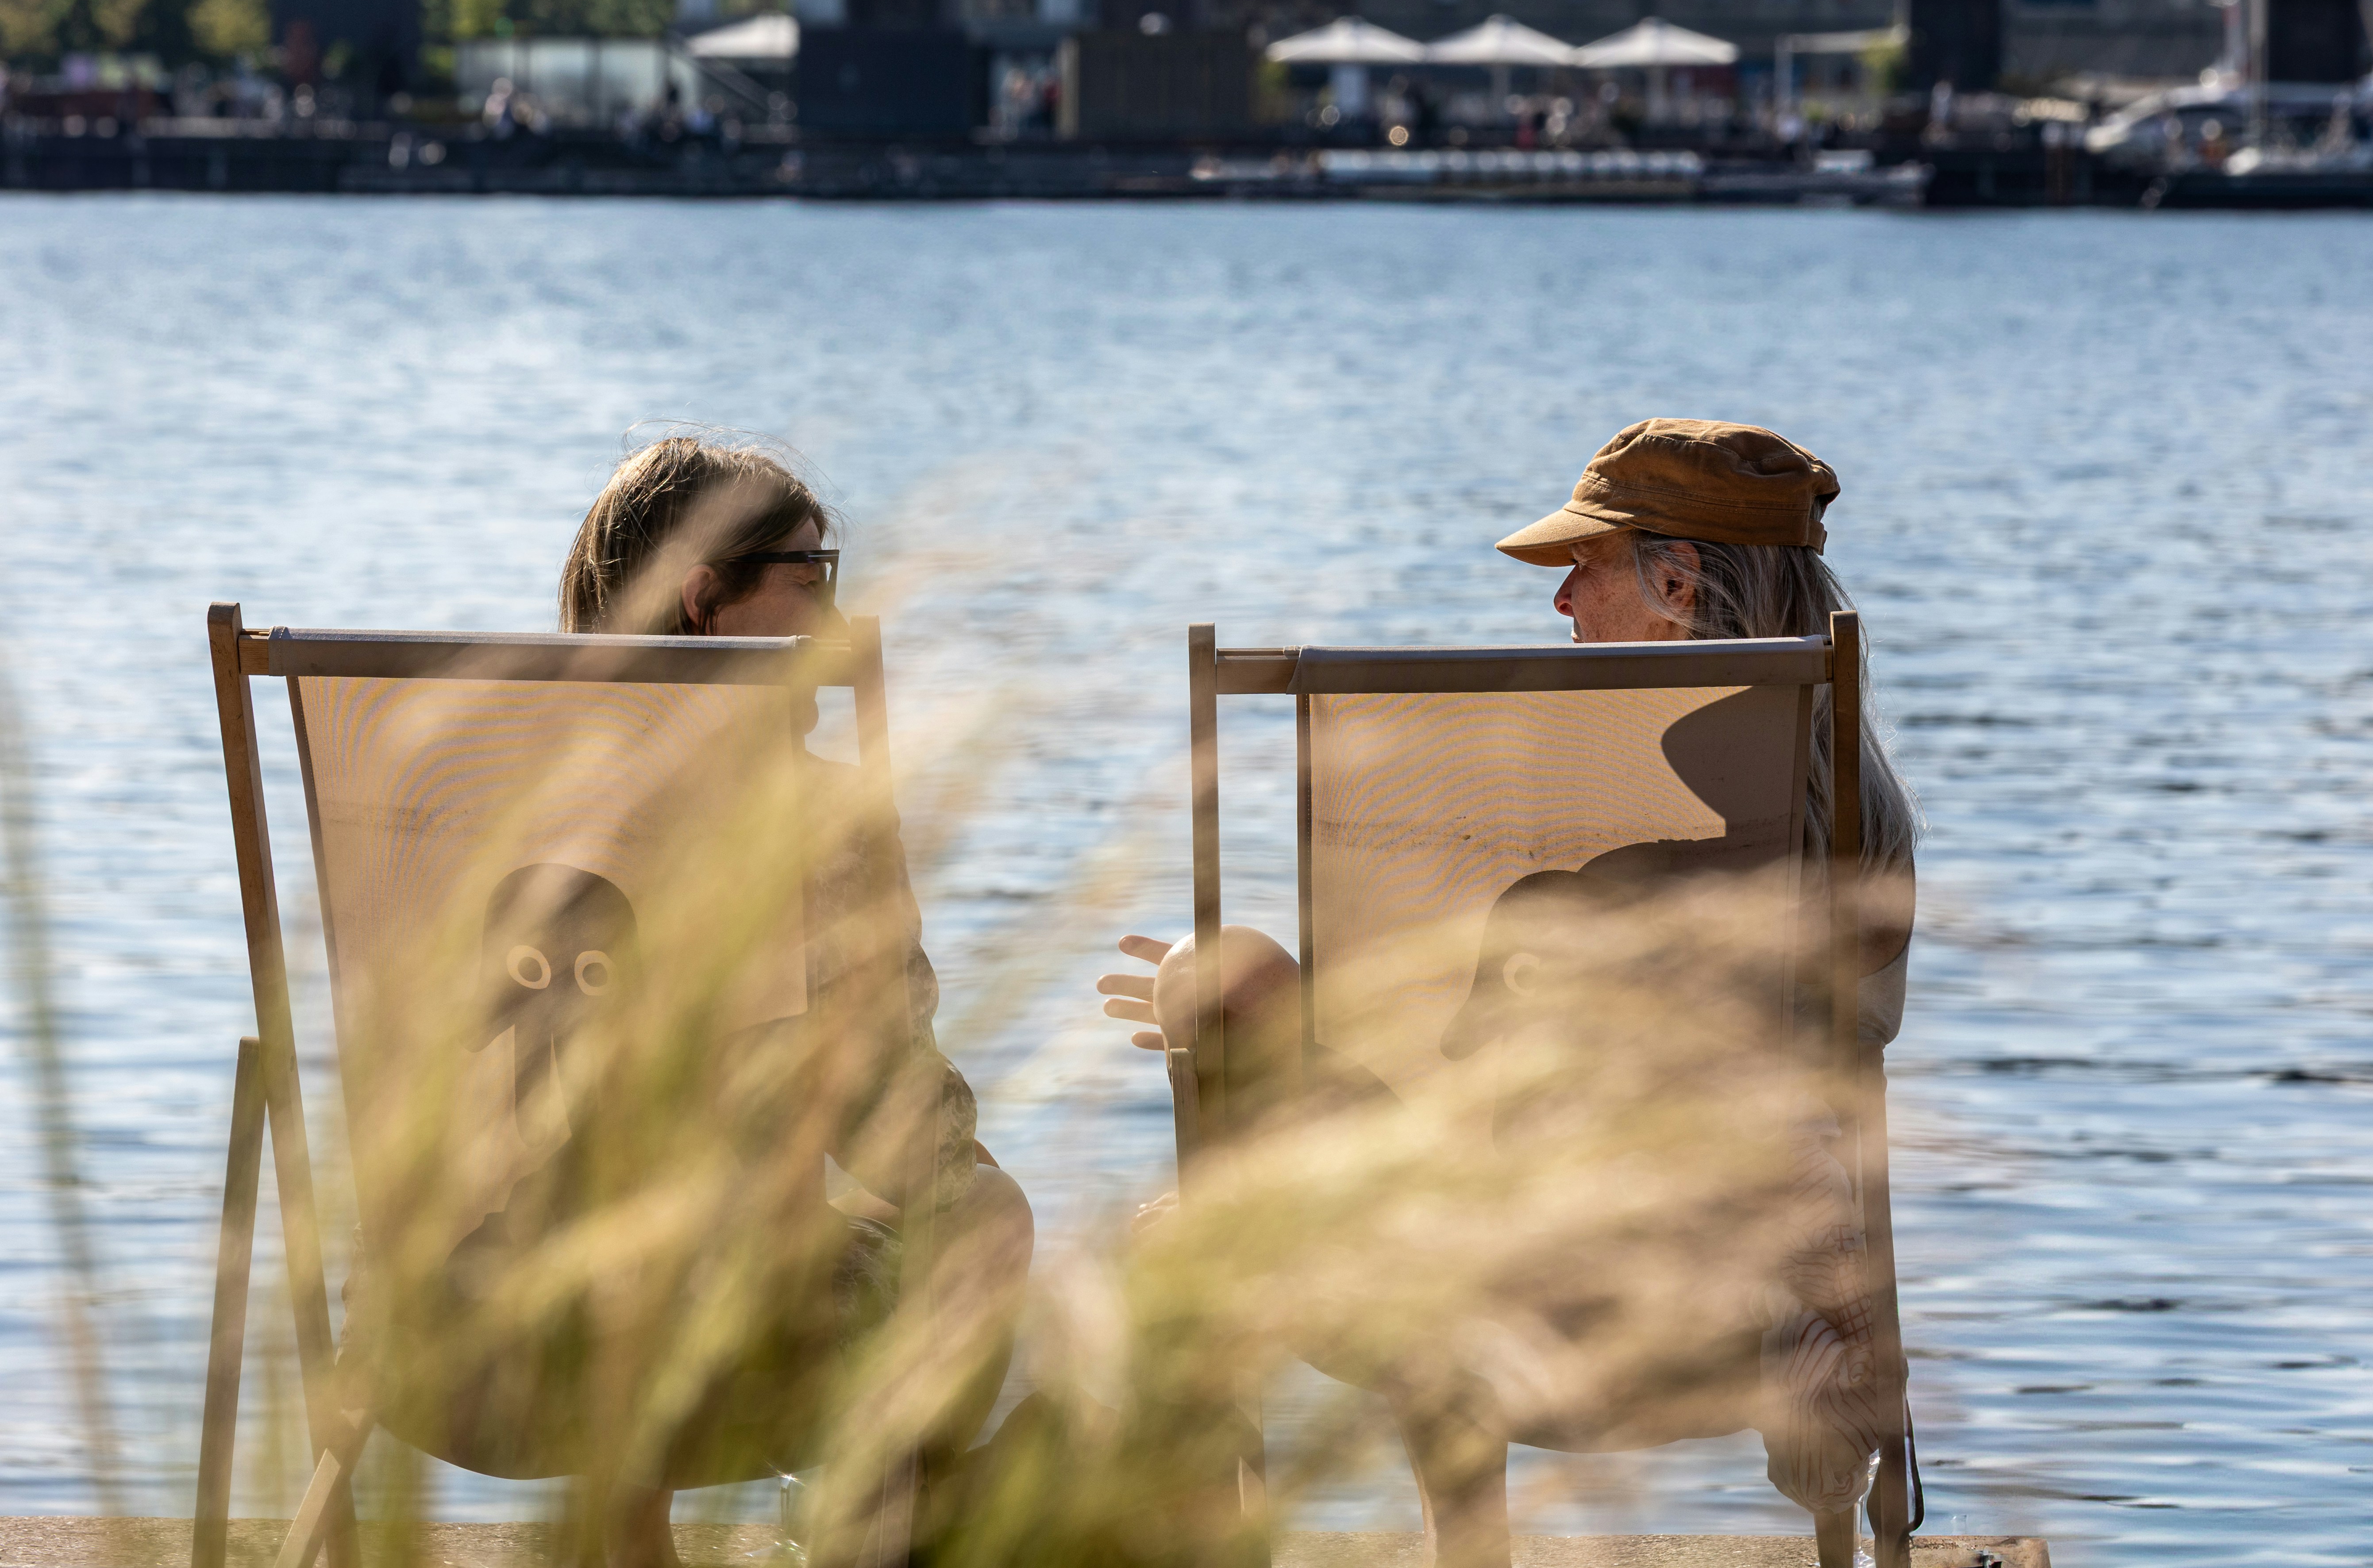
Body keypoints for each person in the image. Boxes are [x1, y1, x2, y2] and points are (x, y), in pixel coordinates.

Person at [1098, 419, 1918, 1568]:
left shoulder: (1621, 855)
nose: (1561, 605)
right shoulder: (1857, 830)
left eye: (1584, 568)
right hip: (1737, 1304)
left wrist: (1248, 994)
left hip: (1513, 1291)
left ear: (1677, 587)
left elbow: (1460, 1119)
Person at [397, 435, 1032, 1568]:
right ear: (705, 598)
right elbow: (904, 1143)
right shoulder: (805, 826)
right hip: (717, 1357)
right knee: (978, 1224)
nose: (834, 621)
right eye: (810, 575)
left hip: (438, 1345)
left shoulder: (462, 807)